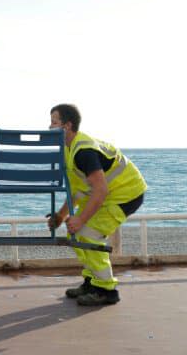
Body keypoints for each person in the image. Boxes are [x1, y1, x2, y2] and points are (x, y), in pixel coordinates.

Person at [47, 103, 146, 306]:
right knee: (75, 233)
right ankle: (92, 282)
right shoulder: (68, 150)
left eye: (53, 122)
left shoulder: (84, 151)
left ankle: (107, 290)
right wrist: (61, 216)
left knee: (88, 234)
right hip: (107, 195)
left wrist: (81, 218)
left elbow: (101, 190)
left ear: (66, 126)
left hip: (126, 194)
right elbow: (77, 191)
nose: (49, 127)